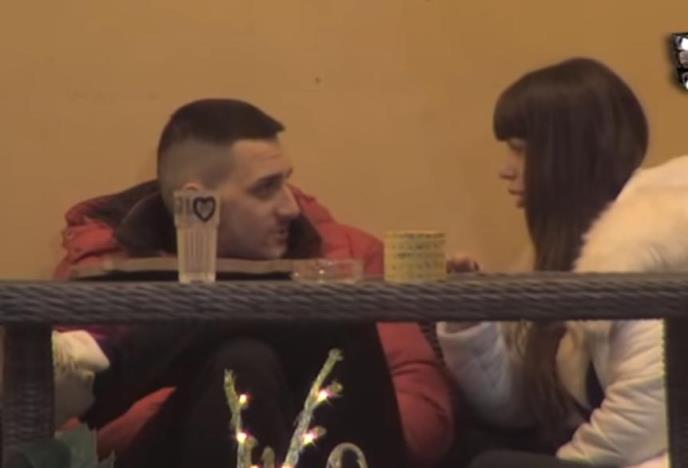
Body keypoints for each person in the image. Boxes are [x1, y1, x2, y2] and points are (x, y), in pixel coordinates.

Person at [52, 98, 454, 468]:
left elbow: (425, 414)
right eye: (266, 188)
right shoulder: (107, 269)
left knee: (327, 312)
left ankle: (114, 361)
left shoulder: (346, 256)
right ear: (199, 203)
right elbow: (73, 439)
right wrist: (205, 387)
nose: (291, 207)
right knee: (245, 361)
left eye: (286, 182)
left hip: (336, 454)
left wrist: (296, 411)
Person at [438, 58, 669, 468]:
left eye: (519, 150)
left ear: (568, 155)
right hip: (612, 452)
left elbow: (643, 420)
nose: (505, 170)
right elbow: (524, 405)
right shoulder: (564, 254)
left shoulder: (656, 253)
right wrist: (469, 317)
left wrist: (557, 462)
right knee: (472, 445)